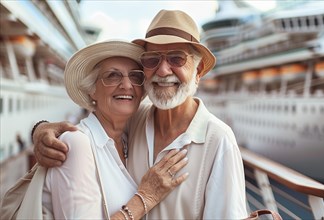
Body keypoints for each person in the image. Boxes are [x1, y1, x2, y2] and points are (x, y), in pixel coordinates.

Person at [32, 10, 248, 219]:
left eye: (176, 58)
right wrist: (41, 129)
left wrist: (41, 129)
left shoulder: (218, 140)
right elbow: (91, 130)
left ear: (198, 71)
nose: (163, 71)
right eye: (152, 60)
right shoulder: (134, 120)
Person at [38, 40, 189, 219]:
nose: (126, 85)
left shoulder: (128, 138)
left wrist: (38, 128)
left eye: (135, 76)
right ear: (92, 90)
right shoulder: (77, 143)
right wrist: (145, 198)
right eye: (112, 76)